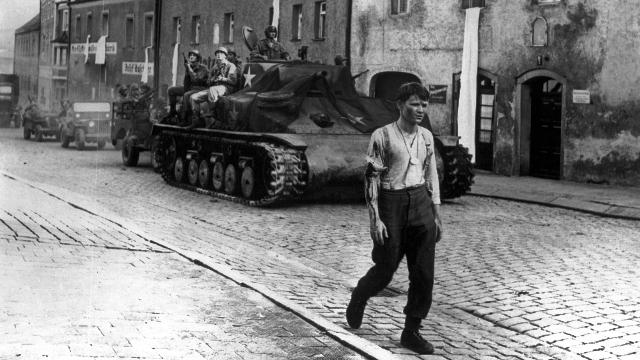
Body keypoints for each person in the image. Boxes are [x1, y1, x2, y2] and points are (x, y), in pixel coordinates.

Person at [346, 82, 442, 355]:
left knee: (424, 274)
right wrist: (375, 219)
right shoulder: (383, 136)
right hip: (392, 203)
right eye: (414, 104)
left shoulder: (426, 137)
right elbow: (371, 178)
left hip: (420, 202)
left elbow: (431, 174)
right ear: (400, 105)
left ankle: (411, 331)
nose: (420, 109)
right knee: (385, 268)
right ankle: (360, 295)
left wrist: (436, 214)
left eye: (424, 104)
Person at [189, 47, 237, 128]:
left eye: (221, 53)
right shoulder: (215, 67)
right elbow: (208, 82)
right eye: (217, 53)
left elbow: (233, 81)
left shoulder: (231, 66)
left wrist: (222, 78)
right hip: (214, 89)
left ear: (225, 56)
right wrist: (212, 79)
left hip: (226, 88)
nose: (218, 55)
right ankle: (197, 120)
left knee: (212, 89)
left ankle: (213, 112)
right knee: (193, 97)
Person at [165, 49, 208, 123]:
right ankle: (172, 111)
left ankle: (184, 118)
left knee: (186, 95)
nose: (191, 56)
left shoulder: (203, 68)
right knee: (171, 90)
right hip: (189, 88)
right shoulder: (189, 66)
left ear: (198, 58)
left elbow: (195, 79)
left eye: (194, 55)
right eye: (190, 55)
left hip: (199, 89)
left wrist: (189, 68)